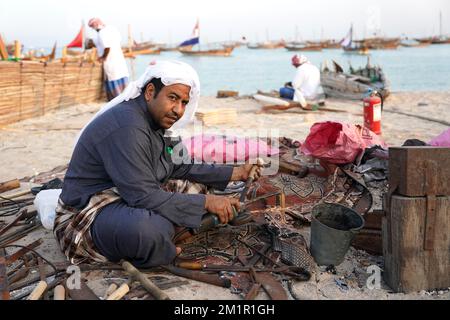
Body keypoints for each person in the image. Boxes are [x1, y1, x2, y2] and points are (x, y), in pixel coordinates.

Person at [53, 60, 262, 268]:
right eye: (173, 98)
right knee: (149, 231)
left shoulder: (159, 122)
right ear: (150, 92)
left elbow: (184, 166)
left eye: (183, 103)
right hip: (90, 211)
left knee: (197, 186)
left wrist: (237, 172)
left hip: (130, 194)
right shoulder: (127, 126)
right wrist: (206, 203)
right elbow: (142, 196)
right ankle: (169, 236)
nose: (178, 110)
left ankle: (176, 228)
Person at [88, 18, 129, 101]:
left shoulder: (102, 33)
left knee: (114, 86)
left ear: (96, 25)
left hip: (110, 62)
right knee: (124, 86)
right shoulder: (112, 29)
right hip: (119, 60)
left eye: (93, 27)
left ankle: (117, 103)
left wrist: (103, 57)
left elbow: (107, 47)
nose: (93, 29)